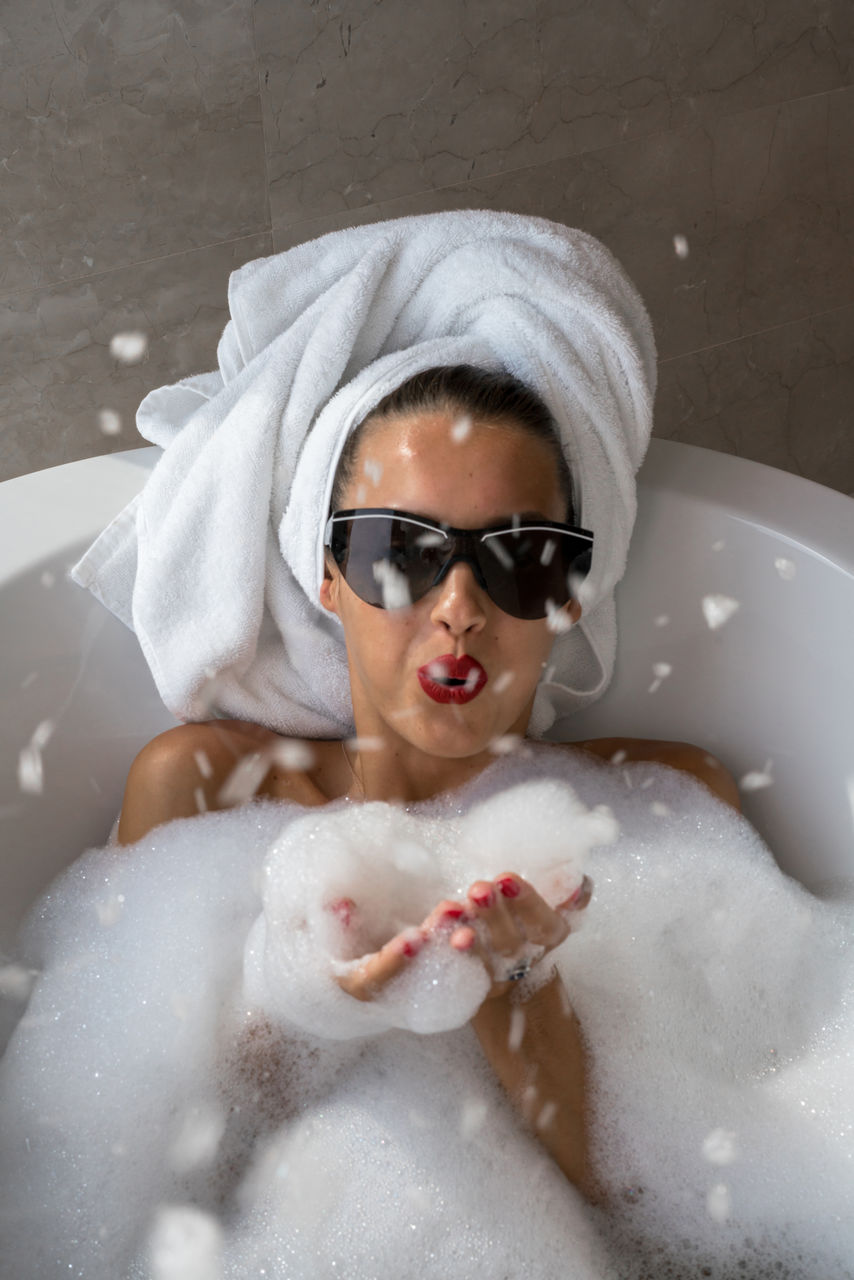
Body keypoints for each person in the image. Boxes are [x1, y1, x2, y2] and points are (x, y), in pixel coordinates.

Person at [115, 364, 742, 1203]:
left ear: (567, 596)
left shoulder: (670, 804)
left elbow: (675, 1210)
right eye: (401, 553)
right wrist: (306, 1000)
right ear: (329, 575)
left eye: (521, 556)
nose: (460, 607)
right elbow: (145, 1159)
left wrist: (514, 989)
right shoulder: (201, 789)